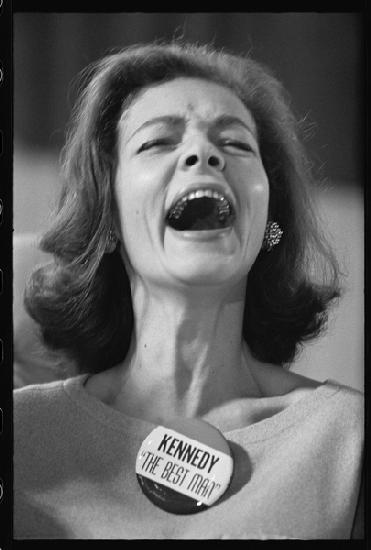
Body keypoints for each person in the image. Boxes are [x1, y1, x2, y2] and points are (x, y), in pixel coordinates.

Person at [14, 42, 364, 539]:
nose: (204, 152)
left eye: (238, 144)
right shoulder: (22, 439)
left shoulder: (350, 440)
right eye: (157, 142)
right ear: (108, 217)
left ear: (268, 221)